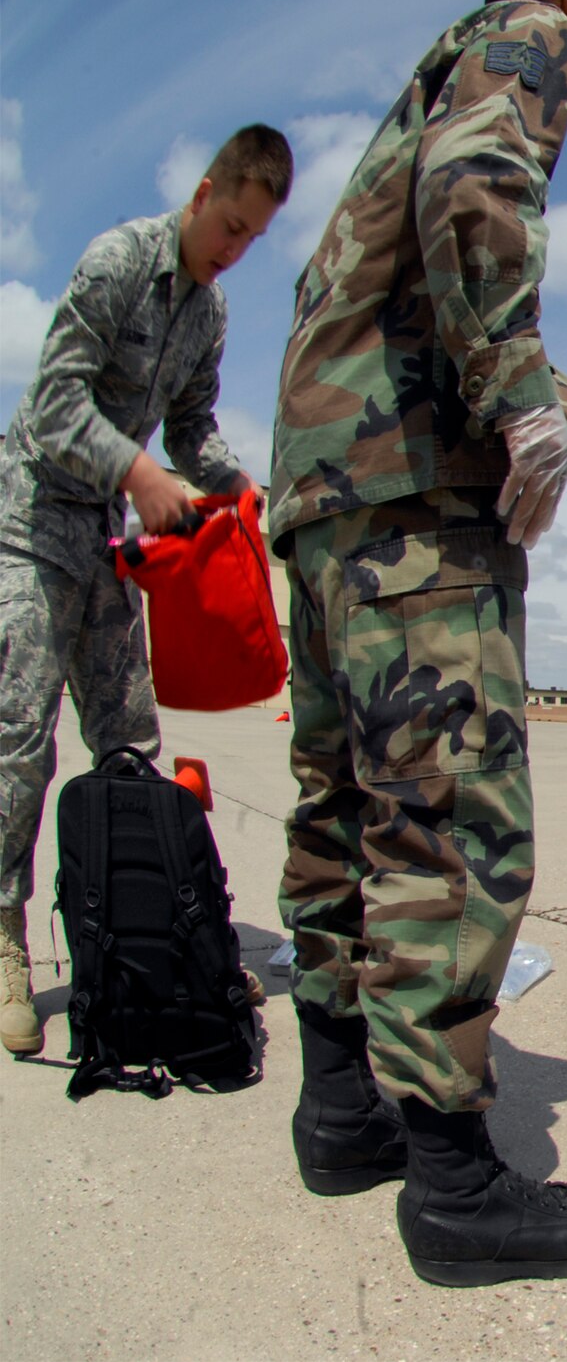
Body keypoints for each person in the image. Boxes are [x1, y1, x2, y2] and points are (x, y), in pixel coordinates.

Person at [270, 0, 567, 1287]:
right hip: (413, 487)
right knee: (449, 819)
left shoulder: (404, 102)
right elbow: (478, 182)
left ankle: (341, 1108)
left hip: (322, 494)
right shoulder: (523, 33)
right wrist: (515, 388)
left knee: (343, 804)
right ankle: (452, 1182)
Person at [0, 125, 292, 1058]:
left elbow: (194, 427)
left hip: (108, 546)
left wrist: (237, 489)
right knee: (18, 742)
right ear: (204, 191)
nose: (233, 250)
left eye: (252, 239)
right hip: (34, 524)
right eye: (231, 226)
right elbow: (53, 405)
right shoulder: (116, 262)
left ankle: (161, 929)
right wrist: (138, 474)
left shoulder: (208, 312)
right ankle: (4, 941)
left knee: (130, 744)